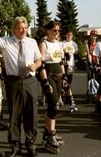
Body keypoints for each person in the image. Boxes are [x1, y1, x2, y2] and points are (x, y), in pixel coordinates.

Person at [0, 12, 41, 157]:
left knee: (31, 115)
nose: (23, 30)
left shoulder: (32, 42)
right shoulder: (6, 41)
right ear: (14, 29)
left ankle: (30, 144)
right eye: (20, 28)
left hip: (30, 81)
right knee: (15, 115)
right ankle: (15, 145)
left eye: (25, 28)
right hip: (13, 81)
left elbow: (39, 60)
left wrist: (35, 66)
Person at [39, 21, 66, 154]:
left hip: (58, 75)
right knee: (53, 106)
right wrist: (44, 82)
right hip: (48, 74)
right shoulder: (43, 44)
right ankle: (50, 135)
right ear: (48, 31)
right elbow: (41, 65)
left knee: (55, 106)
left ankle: (48, 133)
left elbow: (61, 61)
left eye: (58, 31)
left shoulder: (58, 44)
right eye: (54, 30)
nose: (57, 33)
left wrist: (64, 77)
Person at [60, 28, 79, 113]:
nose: (69, 36)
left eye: (70, 35)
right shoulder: (62, 43)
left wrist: (77, 64)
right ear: (65, 35)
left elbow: (76, 54)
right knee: (64, 81)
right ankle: (65, 97)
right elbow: (60, 54)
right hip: (64, 65)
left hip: (71, 65)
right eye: (68, 34)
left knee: (69, 82)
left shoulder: (74, 44)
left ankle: (66, 96)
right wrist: (64, 55)